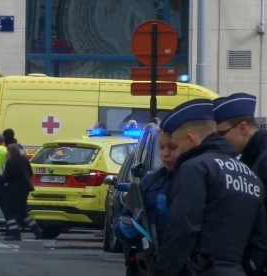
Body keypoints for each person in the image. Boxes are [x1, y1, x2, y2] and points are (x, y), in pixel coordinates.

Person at [156, 99, 267, 275]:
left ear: (191, 140)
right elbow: (259, 241)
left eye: (176, 145)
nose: (174, 153)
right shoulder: (250, 175)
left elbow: (183, 228)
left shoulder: (195, 168)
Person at [213, 92, 267, 274]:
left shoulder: (263, 160)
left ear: (243, 127)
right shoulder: (251, 158)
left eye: (221, 134)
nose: (219, 141)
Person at [114, 128, 178, 274]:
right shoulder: (149, 182)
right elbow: (125, 217)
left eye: (172, 147)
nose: (165, 153)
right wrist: (125, 228)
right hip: (148, 264)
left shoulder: (195, 180)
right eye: (161, 147)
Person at [2, 143, 43, 241]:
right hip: (25, 189)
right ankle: (37, 231)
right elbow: (30, 173)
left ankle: (15, 233)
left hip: (14, 190)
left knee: (9, 212)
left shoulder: (11, 162)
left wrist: (0, 179)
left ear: (10, 152)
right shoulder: (24, 160)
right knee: (22, 213)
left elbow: (6, 177)